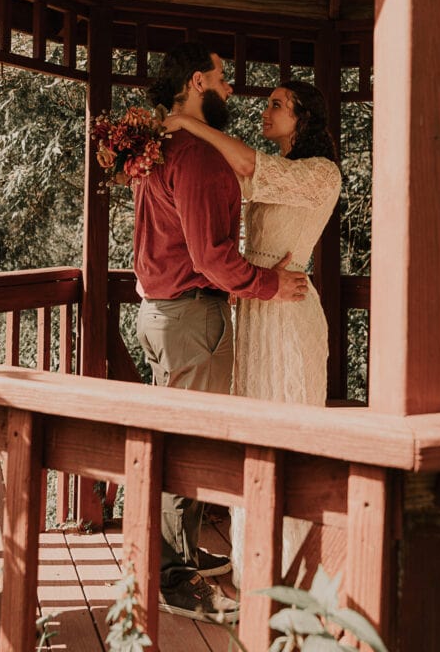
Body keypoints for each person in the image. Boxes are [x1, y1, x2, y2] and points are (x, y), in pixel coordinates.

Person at [133, 42, 308, 622]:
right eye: (223, 77)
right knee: (185, 449)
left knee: (171, 438)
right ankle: (170, 579)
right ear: (197, 83)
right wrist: (269, 285)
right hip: (191, 317)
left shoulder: (156, 148)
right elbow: (211, 258)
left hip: (158, 316)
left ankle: (177, 554)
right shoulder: (199, 159)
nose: (233, 89)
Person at [164, 78, 341, 582]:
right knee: (252, 437)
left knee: (289, 433)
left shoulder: (320, 174)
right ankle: (254, 561)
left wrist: (187, 123)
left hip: (290, 313)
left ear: (303, 117)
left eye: (277, 105)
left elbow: (245, 166)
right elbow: (218, 183)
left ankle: (293, 567)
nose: (266, 111)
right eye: (268, 103)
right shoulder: (276, 170)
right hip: (256, 306)